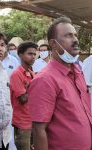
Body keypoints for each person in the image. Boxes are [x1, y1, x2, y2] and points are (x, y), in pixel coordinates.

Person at [28, 17, 92, 150]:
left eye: (75, 35)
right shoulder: (45, 80)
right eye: (68, 36)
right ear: (53, 43)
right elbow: (39, 130)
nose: (75, 39)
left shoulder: (78, 72)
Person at [10, 41, 37, 150]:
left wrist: (29, 88)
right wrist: (34, 87)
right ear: (20, 55)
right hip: (22, 122)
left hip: (33, 120)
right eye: (30, 54)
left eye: (35, 54)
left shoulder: (31, 72)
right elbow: (23, 99)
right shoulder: (16, 74)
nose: (33, 57)